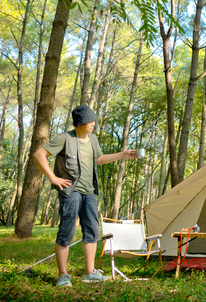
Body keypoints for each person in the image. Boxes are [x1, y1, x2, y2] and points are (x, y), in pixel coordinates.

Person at [32, 104, 135, 287]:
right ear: (80, 123)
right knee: (67, 231)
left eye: (94, 120)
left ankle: (89, 273)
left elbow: (99, 159)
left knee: (92, 231)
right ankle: (63, 275)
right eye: (90, 121)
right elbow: (39, 154)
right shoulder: (64, 138)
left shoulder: (93, 140)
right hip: (71, 192)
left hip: (89, 192)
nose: (93, 124)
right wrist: (54, 178)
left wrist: (123, 154)